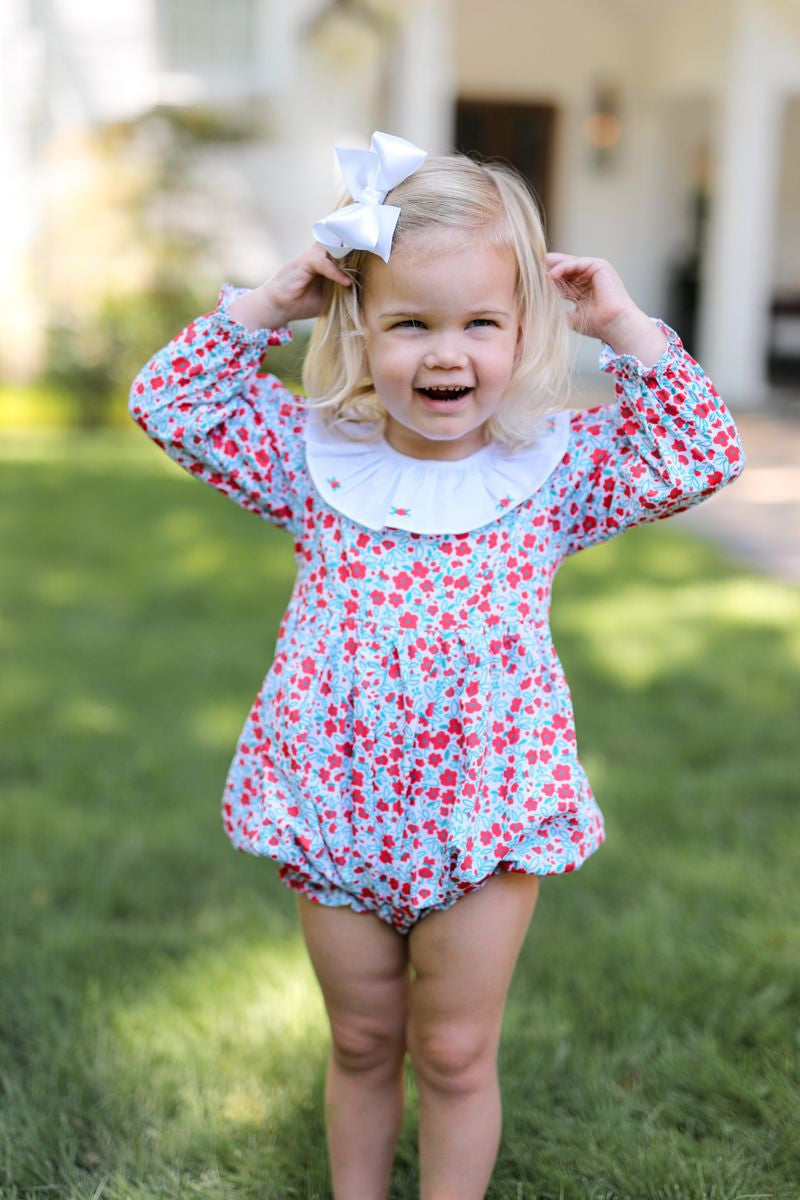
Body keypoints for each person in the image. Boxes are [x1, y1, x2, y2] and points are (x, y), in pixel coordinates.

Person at [129, 131, 746, 1200]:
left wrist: (623, 328)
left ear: (524, 330)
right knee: (365, 1042)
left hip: (483, 807)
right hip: (337, 799)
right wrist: (270, 303)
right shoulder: (312, 454)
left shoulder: (551, 469)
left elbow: (701, 449)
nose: (444, 355)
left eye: (479, 324)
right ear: (360, 328)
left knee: (454, 1052)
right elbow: (169, 401)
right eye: (409, 323)